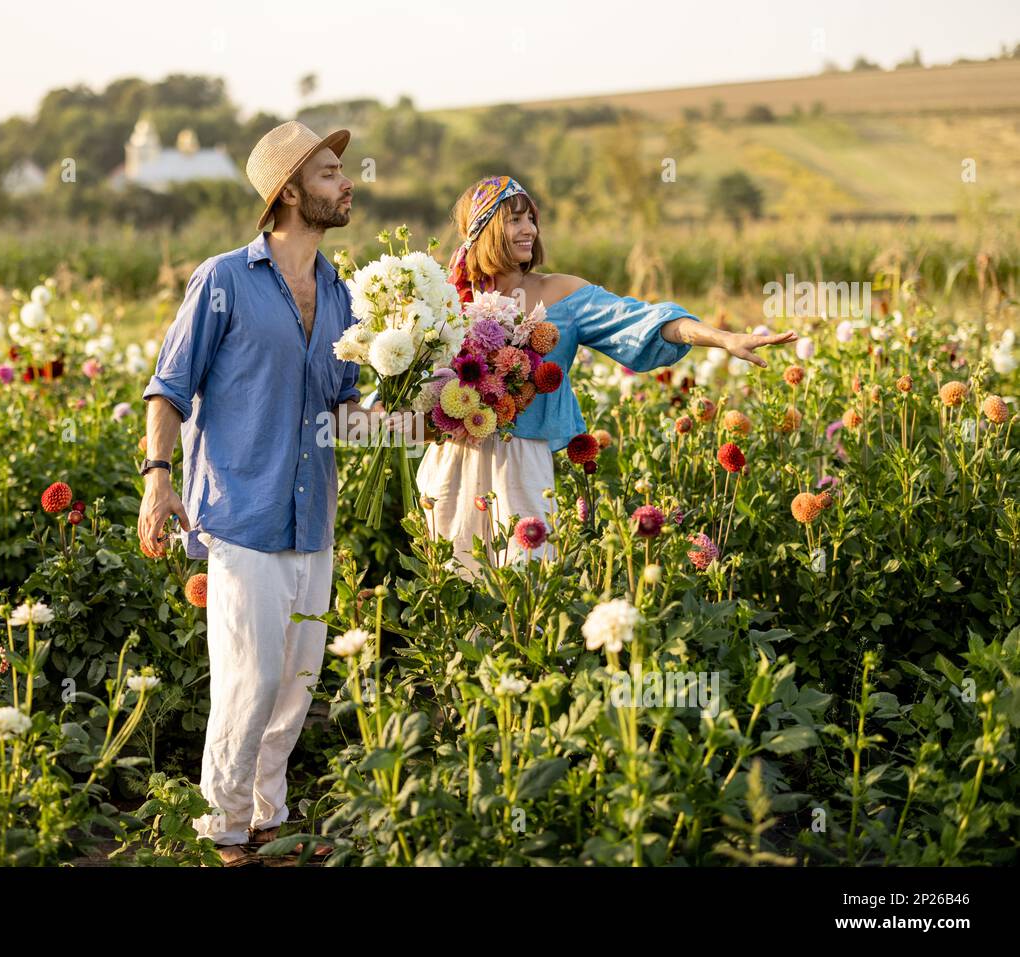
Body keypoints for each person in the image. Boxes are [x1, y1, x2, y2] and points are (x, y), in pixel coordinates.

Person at [137, 121, 377, 865]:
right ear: (291, 191)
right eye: (332, 172)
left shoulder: (341, 291)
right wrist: (156, 480)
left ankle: (267, 815)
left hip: (314, 518)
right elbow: (169, 386)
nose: (348, 183)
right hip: (240, 513)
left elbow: (346, 412)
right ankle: (222, 826)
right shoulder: (224, 280)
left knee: (297, 683)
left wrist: (428, 408)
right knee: (251, 678)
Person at [413, 175, 798, 578]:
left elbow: (641, 320)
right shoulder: (447, 298)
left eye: (531, 218)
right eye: (514, 220)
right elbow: (409, 382)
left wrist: (721, 337)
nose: (529, 229)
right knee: (454, 585)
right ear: (484, 229)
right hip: (451, 461)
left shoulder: (561, 294)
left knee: (525, 585)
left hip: (522, 463)